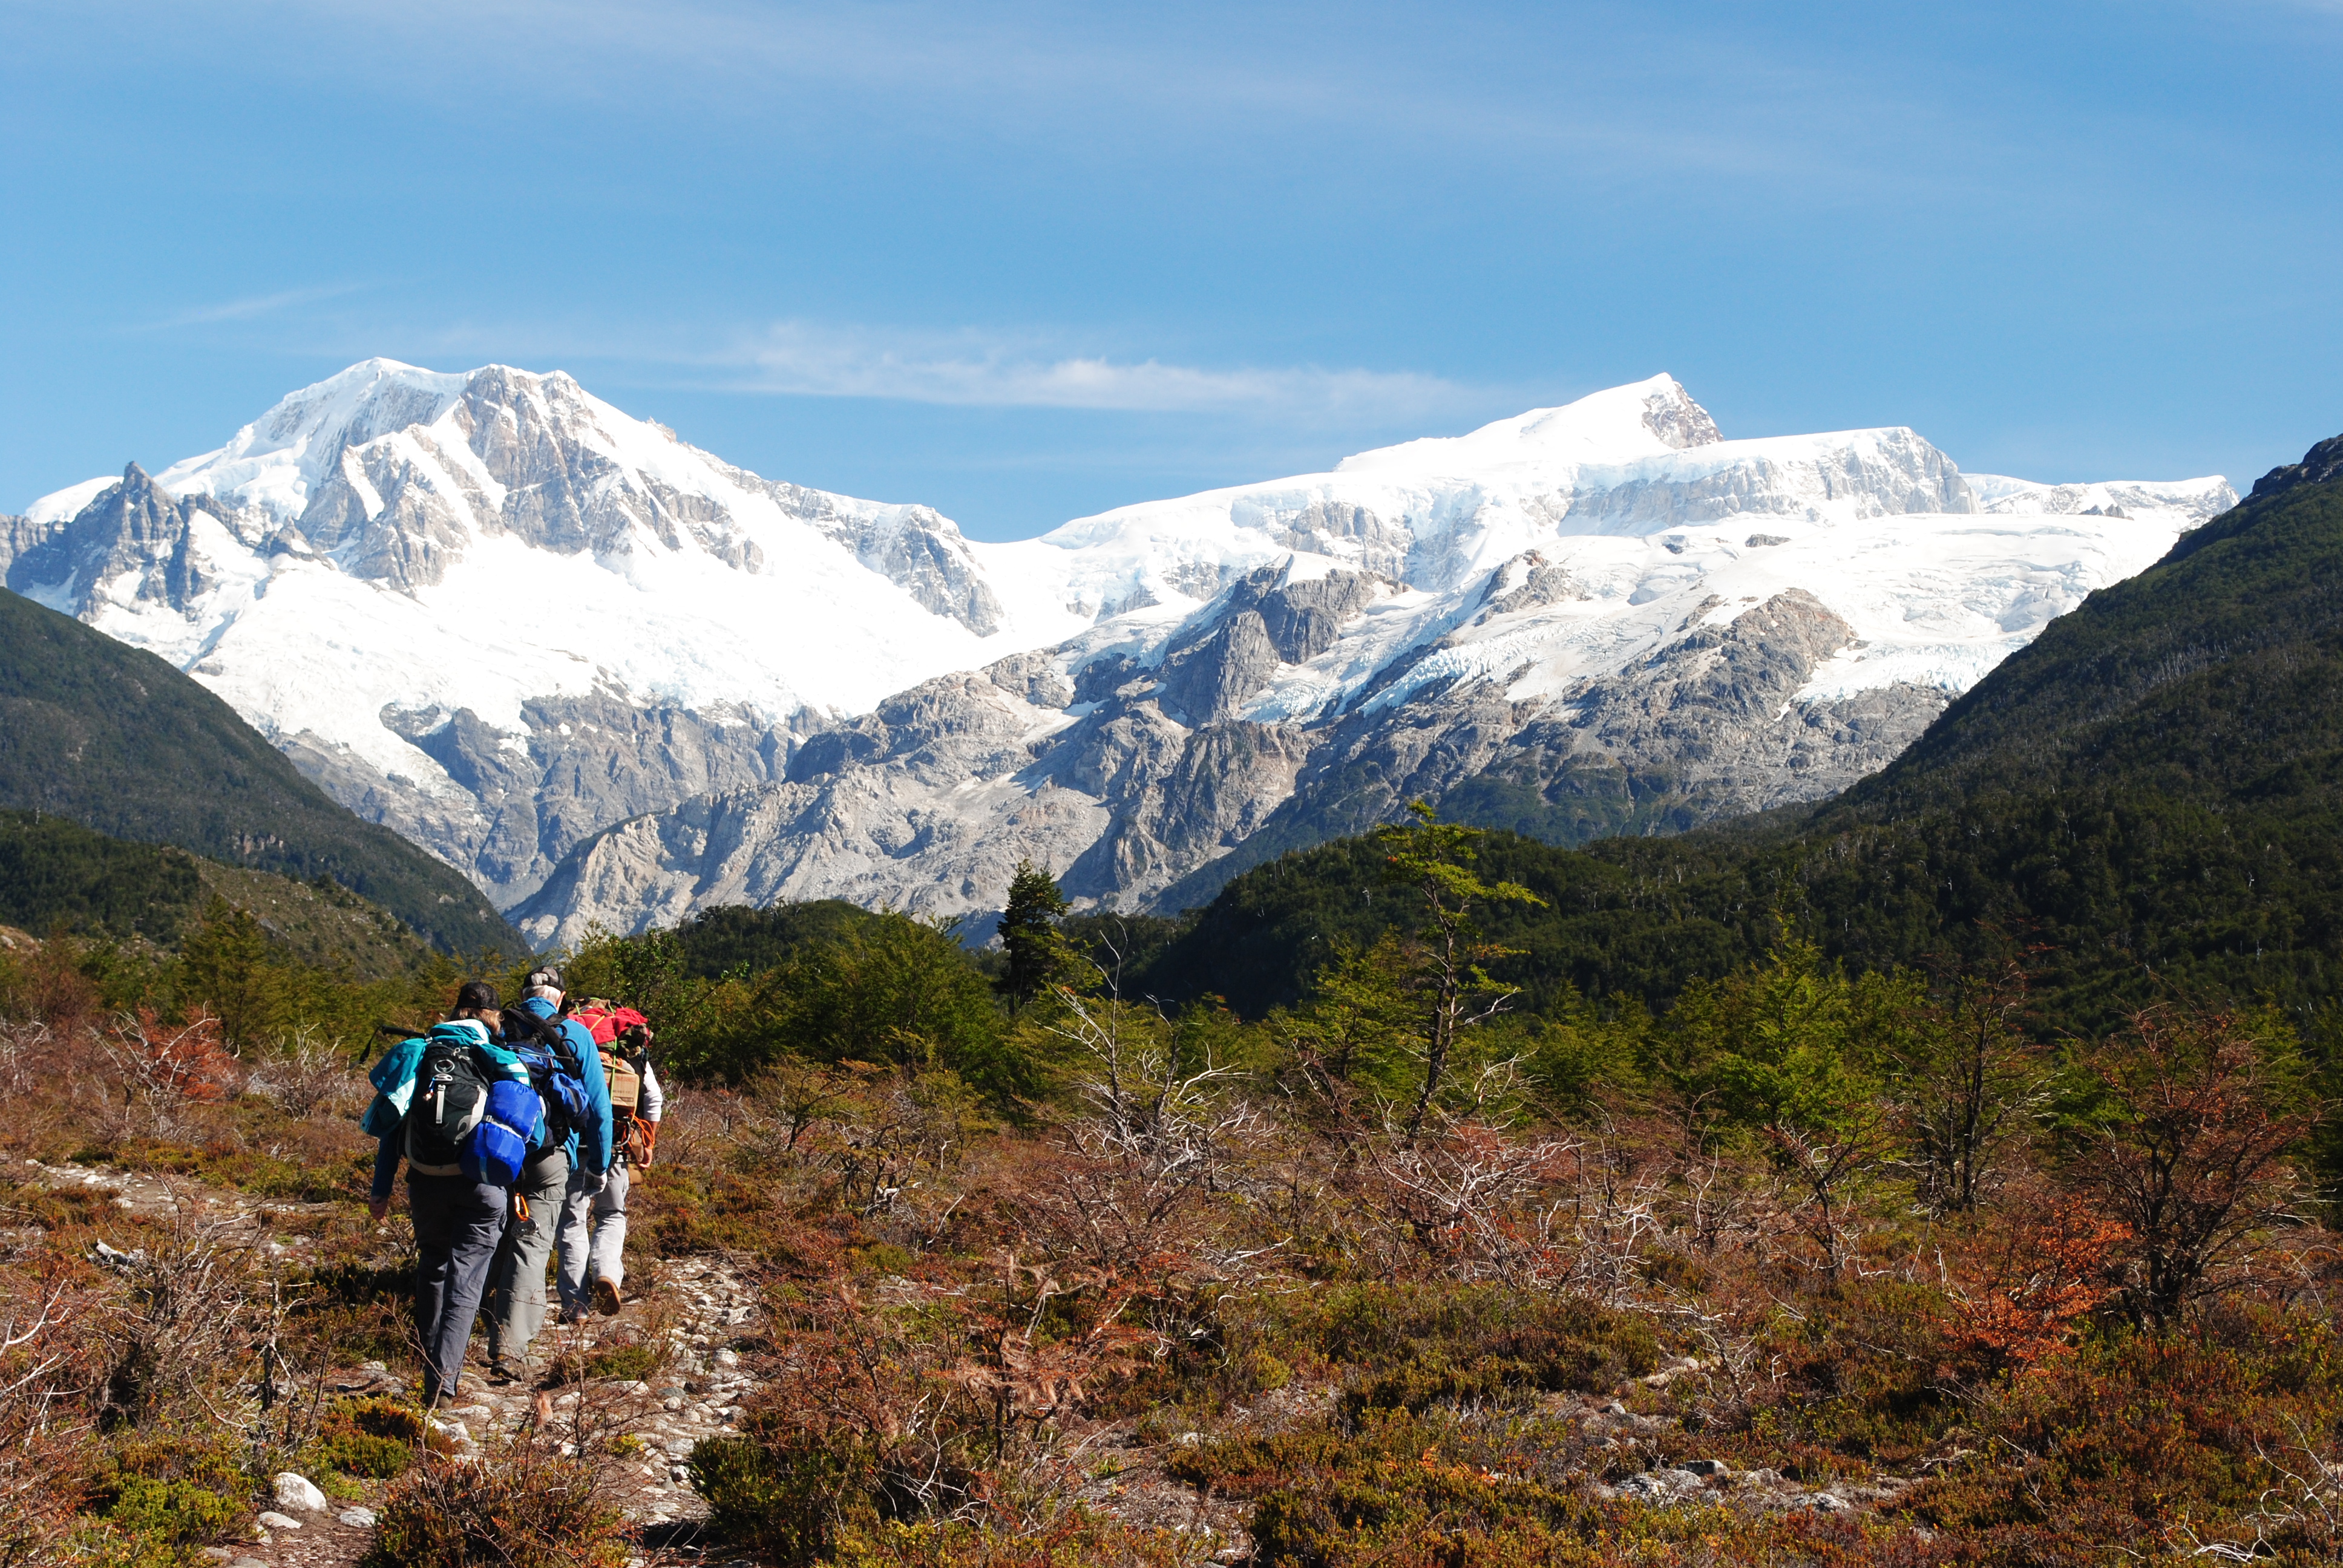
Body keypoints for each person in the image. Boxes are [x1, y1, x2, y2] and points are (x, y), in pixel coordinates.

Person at [365, 981, 540, 1408]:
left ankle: (430, 1361)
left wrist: (380, 1191)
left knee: (433, 1267)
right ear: (492, 1017)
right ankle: (442, 1382)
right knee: (467, 1279)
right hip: (480, 1185)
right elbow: (528, 1132)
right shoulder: (499, 1058)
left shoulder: (421, 1053)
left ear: (456, 1012)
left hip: (425, 1181)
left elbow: (392, 1131)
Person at [480, 979, 612, 1382]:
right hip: (549, 1156)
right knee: (532, 1244)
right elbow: (598, 1109)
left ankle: (478, 1322)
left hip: (497, 1148)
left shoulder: (499, 1026)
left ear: (524, 995)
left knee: (494, 1237)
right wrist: (599, 1165)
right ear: (561, 998)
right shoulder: (575, 1034)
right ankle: (510, 1348)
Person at [555, 990, 663, 1319]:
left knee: (572, 1221)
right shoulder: (627, 1044)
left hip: (572, 1144)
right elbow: (654, 1098)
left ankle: (576, 1305)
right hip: (617, 1142)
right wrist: (648, 1143)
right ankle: (606, 1274)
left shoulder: (566, 1037)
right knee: (612, 1214)